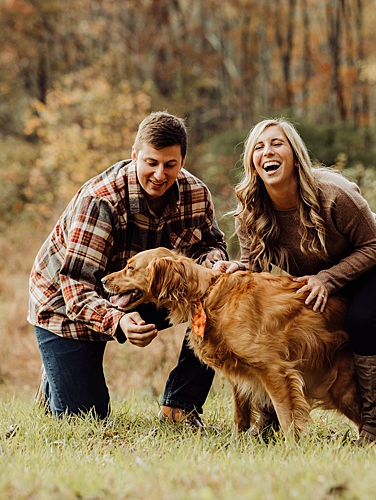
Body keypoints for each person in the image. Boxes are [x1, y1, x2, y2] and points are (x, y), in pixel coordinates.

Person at [212, 118, 376, 444]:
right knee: (272, 333)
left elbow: (375, 246)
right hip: (322, 280)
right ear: (251, 161)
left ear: (294, 153)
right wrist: (234, 269)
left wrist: (328, 279)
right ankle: (269, 420)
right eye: (259, 147)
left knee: (362, 321)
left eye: (277, 143)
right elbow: (253, 265)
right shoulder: (250, 209)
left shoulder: (334, 194)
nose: (268, 152)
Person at [28, 111, 228, 425]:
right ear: (134, 155)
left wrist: (215, 265)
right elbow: (76, 287)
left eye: (170, 165)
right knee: (85, 417)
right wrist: (119, 321)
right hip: (66, 305)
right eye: (151, 162)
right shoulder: (100, 201)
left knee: (215, 305)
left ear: (182, 161)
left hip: (146, 292)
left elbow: (210, 245)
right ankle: (56, 378)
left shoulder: (196, 194)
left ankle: (181, 406)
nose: (160, 175)